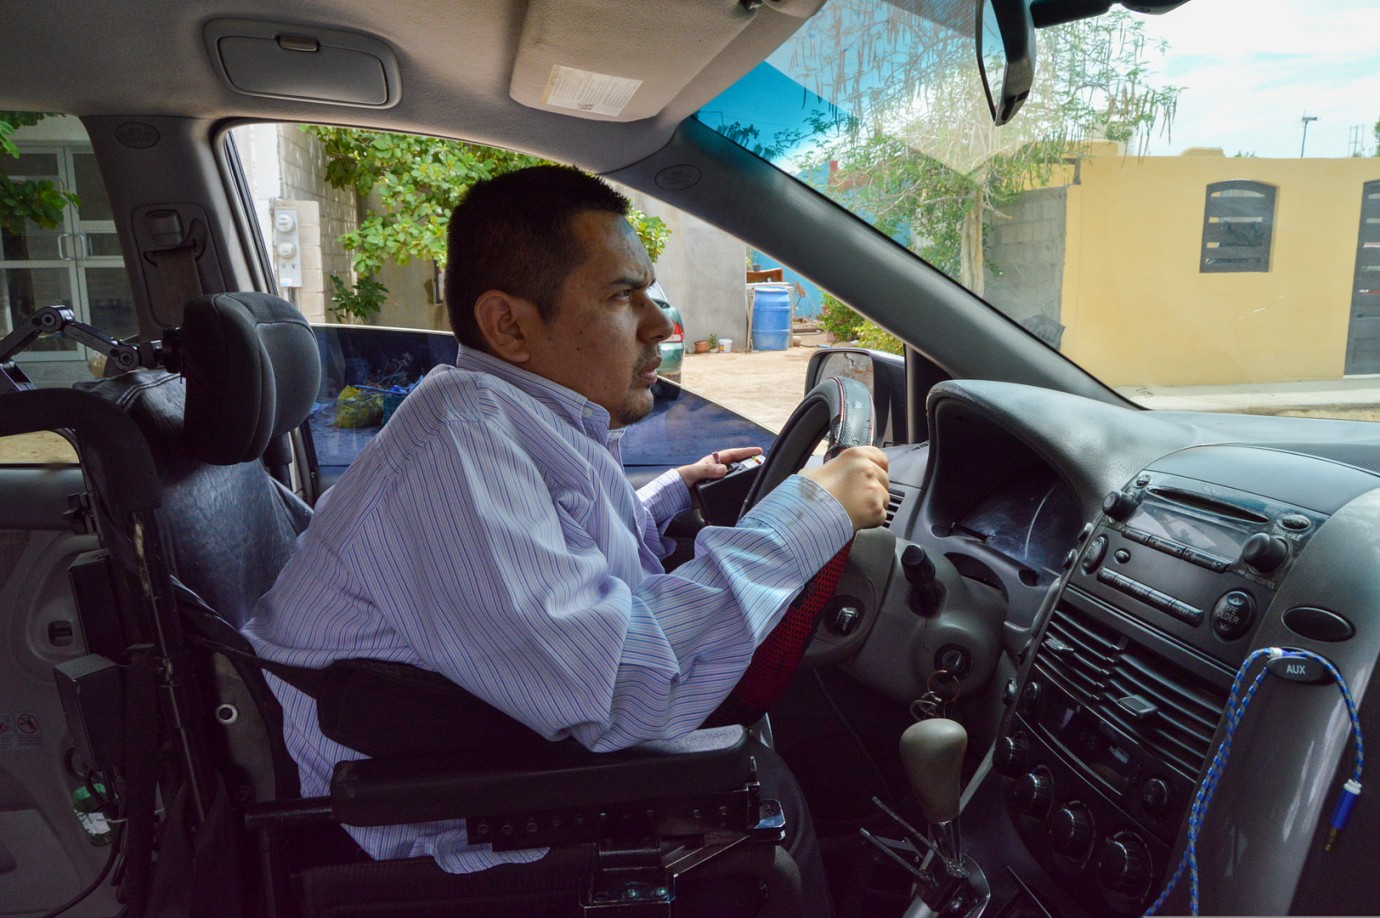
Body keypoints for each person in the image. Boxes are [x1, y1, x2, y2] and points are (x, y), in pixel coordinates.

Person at [243, 165, 890, 913]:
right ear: (510, 325)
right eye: (622, 296)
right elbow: (626, 684)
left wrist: (671, 489)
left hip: (486, 752)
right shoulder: (455, 448)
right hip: (432, 823)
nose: (660, 325)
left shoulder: (521, 419)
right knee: (770, 798)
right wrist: (811, 511)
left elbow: (556, 561)